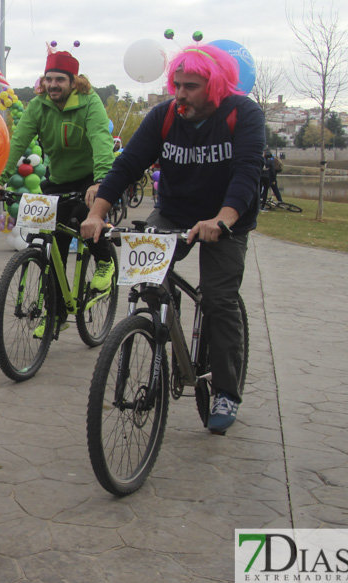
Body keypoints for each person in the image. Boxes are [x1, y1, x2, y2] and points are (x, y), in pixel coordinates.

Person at [81, 43, 265, 434]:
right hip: (175, 211)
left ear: (215, 86)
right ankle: (162, 326)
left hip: (225, 219)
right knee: (148, 282)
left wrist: (224, 218)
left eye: (191, 86)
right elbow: (128, 163)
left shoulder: (243, 114)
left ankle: (226, 390)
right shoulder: (164, 116)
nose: (180, 94)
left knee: (218, 298)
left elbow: (247, 173)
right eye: (176, 84)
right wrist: (97, 213)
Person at [0, 46, 117, 337]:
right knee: (51, 245)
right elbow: (18, 141)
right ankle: (56, 314)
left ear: (73, 81)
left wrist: (101, 182)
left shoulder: (89, 102)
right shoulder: (39, 105)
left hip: (89, 179)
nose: (53, 85)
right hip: (57, 180)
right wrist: (0, 179)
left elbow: (100, 140)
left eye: (60, 79)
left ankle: (105, 261)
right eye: (49, 79)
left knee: (84, 218)